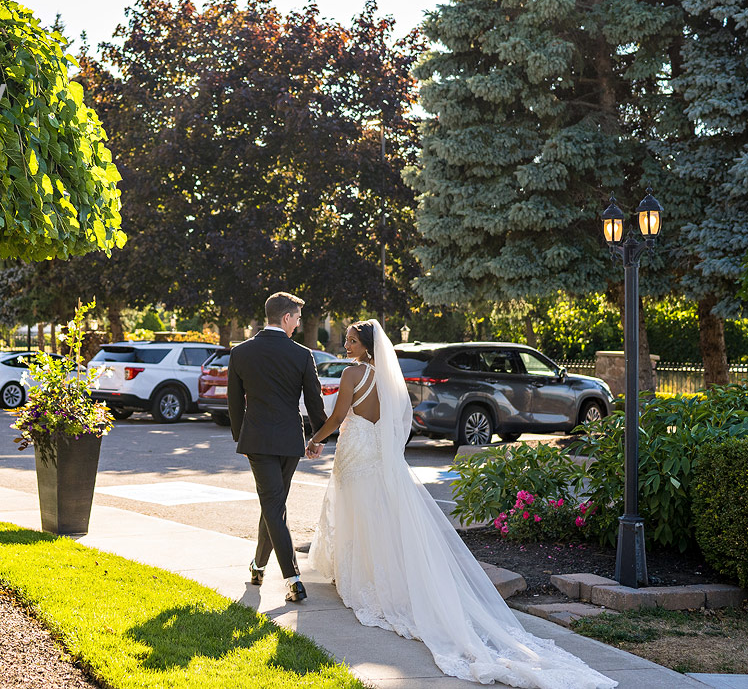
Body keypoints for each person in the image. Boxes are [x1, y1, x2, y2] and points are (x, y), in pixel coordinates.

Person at [305, 320, 616, 688]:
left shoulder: (352, 375)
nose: (346, 346)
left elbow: (340, 416)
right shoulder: (387, 376)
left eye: (353, 341)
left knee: (359, 515)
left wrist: (314, 438)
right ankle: (375, 574)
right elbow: (394, 421)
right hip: (376, 454)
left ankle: (362, 580)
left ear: (367, 345)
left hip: (355, 453)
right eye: (347, 341)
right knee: (379, 516)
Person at [228, 292, 328, 603]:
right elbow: (314, 403)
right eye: (297, 318)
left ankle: (285, 577)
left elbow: (234, 402)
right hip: (289, 441)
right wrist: (318, 438)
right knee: (275, 505)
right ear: (285, 318)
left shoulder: (240, 352)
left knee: (273, 506)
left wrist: (239, 437)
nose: (298, 324)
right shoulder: (302, 355)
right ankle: (281, 574)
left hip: (257, 440)